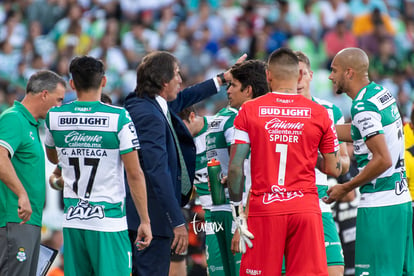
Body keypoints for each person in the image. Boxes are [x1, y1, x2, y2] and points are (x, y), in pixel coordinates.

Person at [124, 50, 246, 276]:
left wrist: (221, 79)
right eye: (177, 74)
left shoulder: (147, 103)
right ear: (163, 82)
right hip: (152, 217)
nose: (181, 80)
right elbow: (156, 170)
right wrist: (176, 220)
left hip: (146, 216)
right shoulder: (149, 115)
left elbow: (184, 97)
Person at [227, 47, 342, 275]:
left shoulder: (249, 110)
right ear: (299, 76)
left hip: (265, 209)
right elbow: (333, 168)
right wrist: (303, 151)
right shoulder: (319, 113)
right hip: (305, 209)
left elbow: (235, 168)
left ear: (268, 75)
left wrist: (239, 214)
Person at [44, 56, 152, 276]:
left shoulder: (54, 116)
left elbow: (53, 157)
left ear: (72, 84)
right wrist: (145, 220)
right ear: (103, 82)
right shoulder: (118, 117)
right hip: (108, 222)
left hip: (74, 222)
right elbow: (135, 173)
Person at [324, 47, 414, 275]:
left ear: (349, 72)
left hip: (378, 206)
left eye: (334, 71)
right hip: (400, 202)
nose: (330, 76)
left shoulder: (362, 107)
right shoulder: (380, 94)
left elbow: (382, 159)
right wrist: (320, 131)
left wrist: (346, 186)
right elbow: (358, 131)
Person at [0, 70, 66, 276]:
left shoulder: (31, 125)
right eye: (59, 99)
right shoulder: (14, 118)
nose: (60, 106)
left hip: (28, 221)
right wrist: (21, 194)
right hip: (15, 219)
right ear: (44, 94)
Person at [206, 59, 269, 276]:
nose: (228, 90)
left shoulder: (242, 120)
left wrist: (240, 217)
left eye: (232, 85)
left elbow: (239, 169)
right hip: (233, 209)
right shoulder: (235, 117)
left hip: (248, 211)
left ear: (248, 90)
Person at [293, 50, 350, 276]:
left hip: (319, 199)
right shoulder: (275, 110)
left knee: (334, 269)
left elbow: (344, 161)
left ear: (311, 75)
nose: (297, 80)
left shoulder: (330, 110)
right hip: (288, 200)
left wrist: (326, 162)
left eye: (301, 73)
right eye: (291, 75)